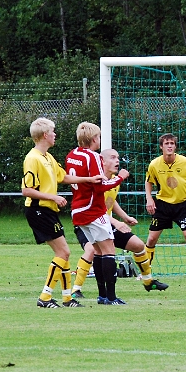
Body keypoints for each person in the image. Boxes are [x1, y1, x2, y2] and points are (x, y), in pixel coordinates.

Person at [21, 117, 102, 308]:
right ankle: (45, 297)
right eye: (53, 131)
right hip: (38, 209)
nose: (55, 134)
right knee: (63, 252)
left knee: (64, 253)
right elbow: (27, 190)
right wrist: (54, 197)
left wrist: (89, 179)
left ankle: (67, 298)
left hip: (47, 210)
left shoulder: (48, 157)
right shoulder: (32, 158)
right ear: (44, 135)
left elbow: (64, 177)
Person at [71, 148, 169, 300]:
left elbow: (111, 201)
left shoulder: (114, 180)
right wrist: (117, 222)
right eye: (112, 157)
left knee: (138, 245)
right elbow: (95, 209)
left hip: (106, 222)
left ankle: (148, 281)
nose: (117, 160)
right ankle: (76, 289)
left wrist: (125, 217)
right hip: (89, 221)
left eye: (118, 157)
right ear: (102, 161)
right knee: (92, 250)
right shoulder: (98, 180)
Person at [66, 122, 130, 305]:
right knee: (109, 251)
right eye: (99, 137)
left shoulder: (72, 155)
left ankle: (102, 295)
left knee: (98, 251)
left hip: (77, 210)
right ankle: (110, 297)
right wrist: (120, 178)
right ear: (95, 139)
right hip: (93, 210)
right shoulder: (93, 157)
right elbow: (101, 186)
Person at [145, 133, 186, 279]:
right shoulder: (154, 164)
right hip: (163, 205)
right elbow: (149, 182)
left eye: (172, 143)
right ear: (161, 147)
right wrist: (149, 199)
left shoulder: (185, 162)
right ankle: (145, 272)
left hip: (182, 205)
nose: (170, 146)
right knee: (152, 238)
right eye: (167, 144)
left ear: (175, 146)